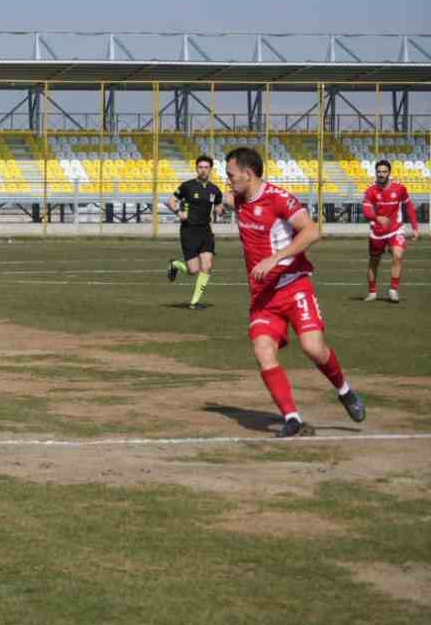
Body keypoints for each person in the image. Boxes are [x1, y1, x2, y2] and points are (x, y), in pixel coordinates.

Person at [225, 146, 365, 437]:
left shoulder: (278, 199)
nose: (228, 180)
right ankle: (292, 419)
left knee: (313, 348)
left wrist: (275, 258)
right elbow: (222, 199)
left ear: (248, 174)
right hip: (262, 297)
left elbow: (312, 231)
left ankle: (344, 390)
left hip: (293, 285)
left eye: (231, 175)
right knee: (263, 351)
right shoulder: (238, 199)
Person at [166, 155, 225, 309]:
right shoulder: (187, 186)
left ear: (210, 169)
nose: (203, 170)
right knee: (193, 270)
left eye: (206, 167)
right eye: (200, 167)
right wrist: (179, 212)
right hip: (189, 231)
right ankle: (175, 264)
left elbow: (219, 208)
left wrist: (221, 210)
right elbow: (171, 201)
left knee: (207, 266)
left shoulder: (215, 190)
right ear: (196, 169)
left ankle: (194, 303)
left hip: (206, 231)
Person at [362, 159, 418, 302]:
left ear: (389, 173)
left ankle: (393, 290)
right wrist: (377, 217)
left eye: (384, 172)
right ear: (376, 173)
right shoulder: (370, 190)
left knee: (398, 255)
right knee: (374, 261)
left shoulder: (399, 188)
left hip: (395, 229)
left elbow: (409, 206)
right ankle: (372, 292)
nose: (381, 174)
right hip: (377, 232)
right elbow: (366, 211)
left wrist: (415, 227)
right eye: (379, 172)